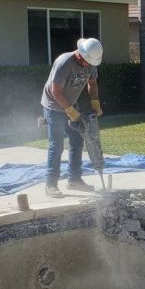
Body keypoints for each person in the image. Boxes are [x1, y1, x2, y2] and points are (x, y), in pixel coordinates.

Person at [40, 37, 104, 198]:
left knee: (77, 140)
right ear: (79, 55)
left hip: (71, 103)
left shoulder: (90, 64)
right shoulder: (64, 63)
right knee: (57, 145)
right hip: (53, 106)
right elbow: (56, 90)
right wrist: (69, 110)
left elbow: (93, 84)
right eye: (86, 62)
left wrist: (95, 102)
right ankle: (51, 185)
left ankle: (74, 180)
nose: (88, 65)